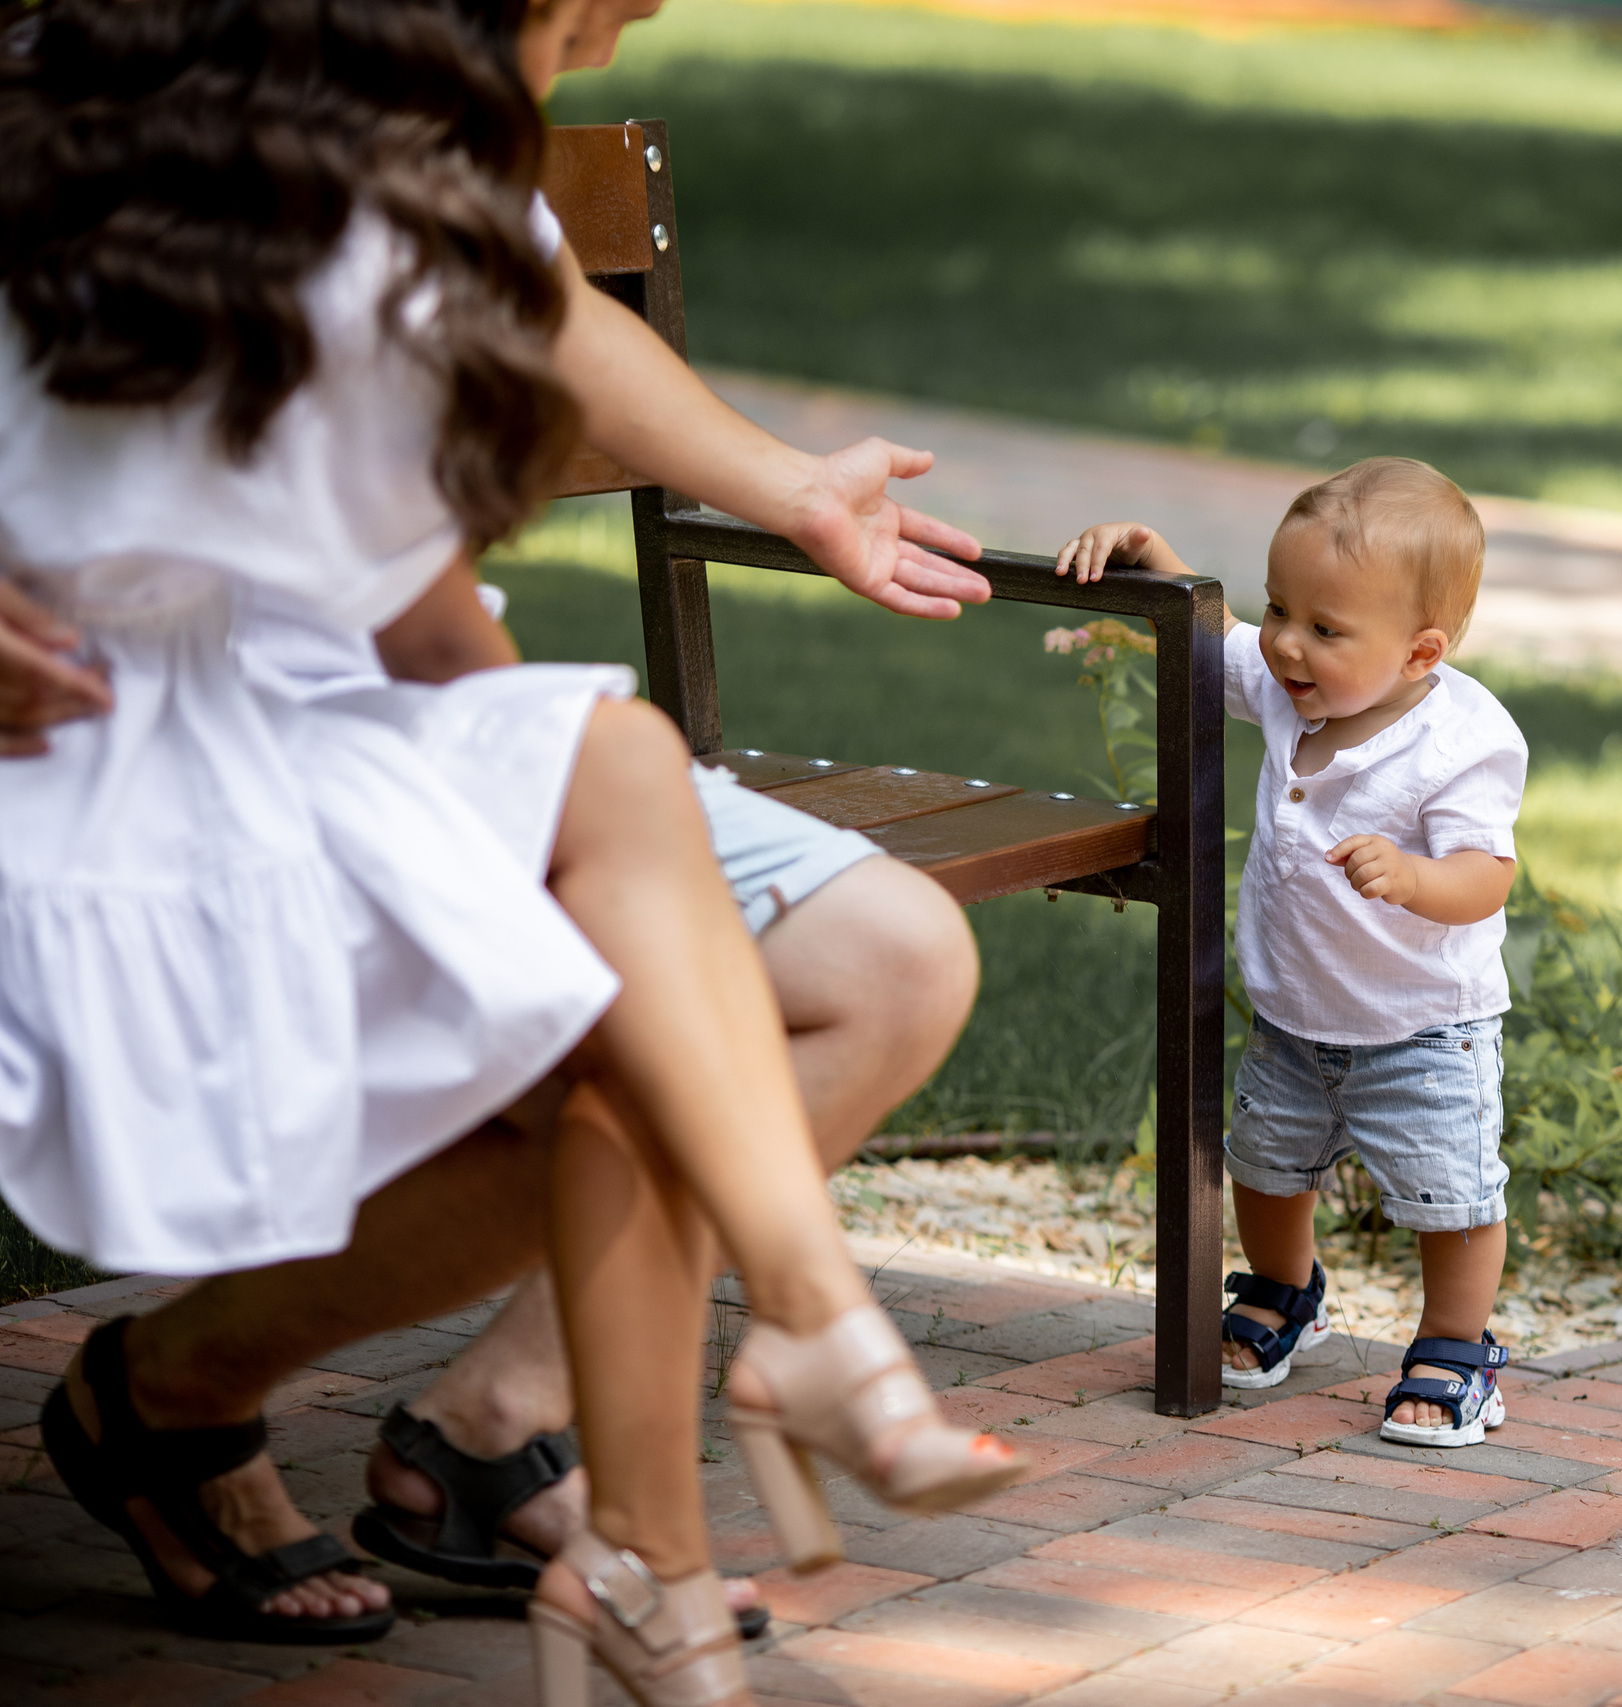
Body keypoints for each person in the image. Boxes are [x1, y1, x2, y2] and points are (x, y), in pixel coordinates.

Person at [3, 0, 1019, 1694]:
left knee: (839, 943)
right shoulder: (149, 133)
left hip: (369, 714)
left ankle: (524, 1447)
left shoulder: (396, 153)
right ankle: (686, 1479)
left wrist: (788, 494)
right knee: (622, 972)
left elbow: (446, 508)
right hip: (141, 769)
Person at [1055, 457, 1526, 1446]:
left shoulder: (1462, 740)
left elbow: (1487, 875)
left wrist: (1413, 877)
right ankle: (1284, 1289)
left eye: (1323, 627)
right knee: (1266, 1169)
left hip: (1422, 1031)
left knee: (1452, 1196)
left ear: (1418, 651)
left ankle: (1455, 1346)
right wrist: (1152, 558)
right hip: (1293, 1021)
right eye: (1279, 608)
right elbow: (1210, 639)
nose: (1283, 643)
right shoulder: (1285, 688)